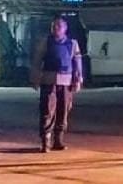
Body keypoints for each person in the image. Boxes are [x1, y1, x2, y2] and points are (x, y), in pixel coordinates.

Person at [30, 15, 83, 153]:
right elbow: (37, 61)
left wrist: (78, 79)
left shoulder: (72, 44)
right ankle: (45, 141)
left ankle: (58, 140)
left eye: (59, 26)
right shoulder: (45, 42)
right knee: (47, 110)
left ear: (65, 28)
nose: (55, 28)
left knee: (63, 110)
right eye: (53, 26)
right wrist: (35, 78)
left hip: (66, 82)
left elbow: (77, 62)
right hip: (48, 80)